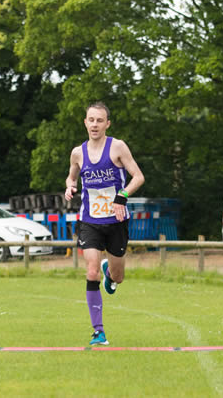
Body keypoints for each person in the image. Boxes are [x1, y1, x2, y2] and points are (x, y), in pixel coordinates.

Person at [64, 101, 144, 346]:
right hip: (90, 220)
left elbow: (138, 177)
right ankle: (98, 332)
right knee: (90, 271)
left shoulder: (117, 147)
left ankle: (111, 272)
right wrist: (70, 185)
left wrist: (123, 196)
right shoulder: (78, 152)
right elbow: (71, 175)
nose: (95, 124)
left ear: (107, 123)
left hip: (116, 220)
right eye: (91, 120)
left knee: (118, 278)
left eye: (100, 120)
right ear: (85, 122)